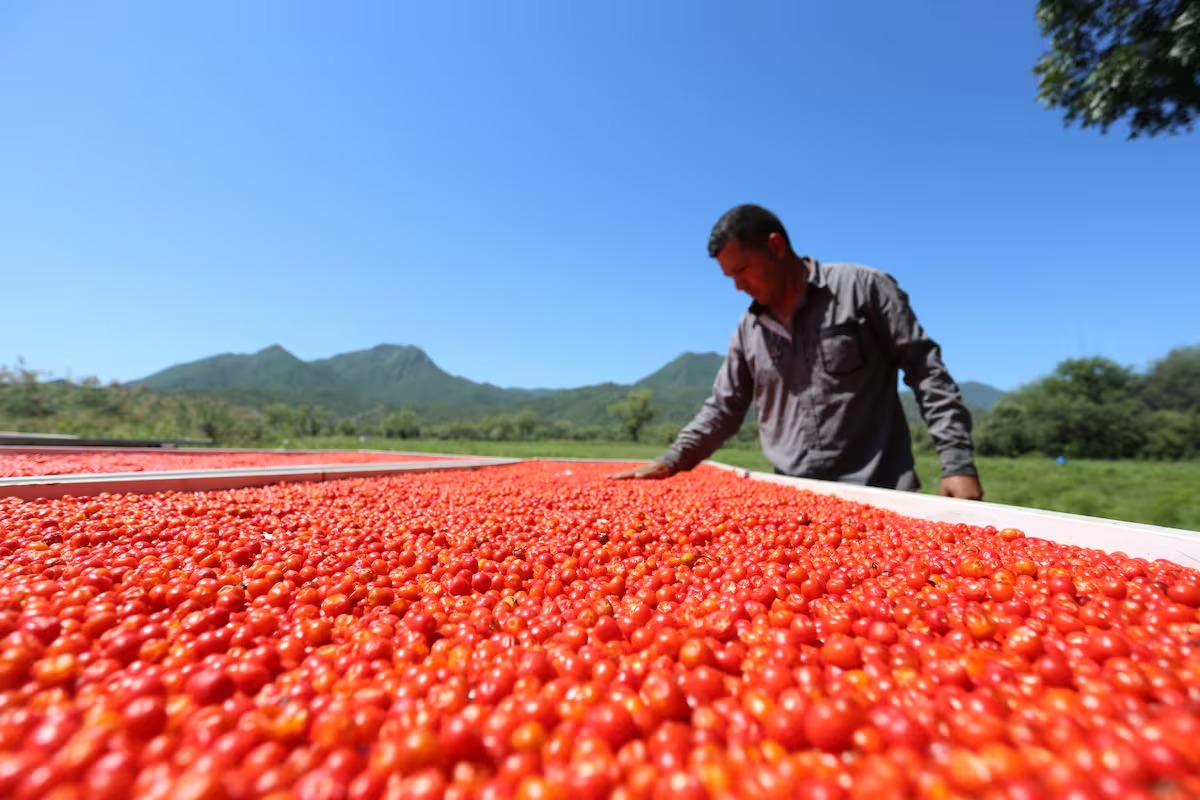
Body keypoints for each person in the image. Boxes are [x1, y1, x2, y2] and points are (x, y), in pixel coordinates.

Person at [609, 203, 984, 500]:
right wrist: (671, 460)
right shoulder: (749, 330)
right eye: (730, 277)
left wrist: (957, 463)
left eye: (743, 270)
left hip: (878, 490)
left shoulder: (862, 288)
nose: (738, 286)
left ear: (775, 246)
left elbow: (926, 371)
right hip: (794, 497)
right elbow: (723, 408)